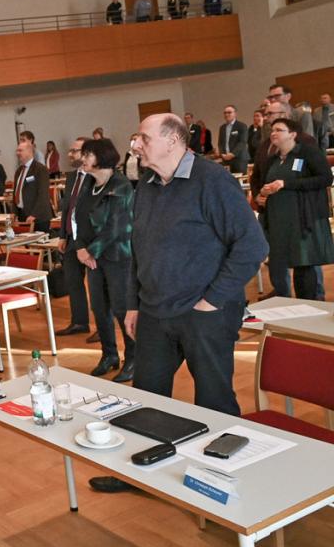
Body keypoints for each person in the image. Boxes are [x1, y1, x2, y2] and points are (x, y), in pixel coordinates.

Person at [89, 113, 267, 494]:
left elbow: (253, 246)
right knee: (147, 397)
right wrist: (134, 303)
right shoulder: (148, 184)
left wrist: (212, 300)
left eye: (143, 137)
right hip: (154, 311)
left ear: (173, 140)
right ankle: (142, 473)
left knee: (214, 400)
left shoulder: (212, 181)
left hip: (204, 312)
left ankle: (222, 483)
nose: (135, 144)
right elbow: (140, 248)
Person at [74, 139, 136, 382]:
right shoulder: (88, 184)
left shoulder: (121, 186)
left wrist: (90, 251)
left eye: (88, 154)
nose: (83, 158)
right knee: (99, 309)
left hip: (117, 257)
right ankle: (109, 354)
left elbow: (118, 227)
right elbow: (79, 218)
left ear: (102, 157)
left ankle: (133, 358)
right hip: (92, 257)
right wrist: (79, 247)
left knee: (122, 309)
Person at [256, 117, 334, 300]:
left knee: (304, 267)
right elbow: (265, 182)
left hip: (303, 219)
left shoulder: (307, 153)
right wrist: (263, 193)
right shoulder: (272, 160)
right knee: (281, 263)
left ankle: (312, 303)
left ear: (292, 134)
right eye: (272, 130)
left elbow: (325, 179)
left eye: (279, 130)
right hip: (280, 222)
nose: (274, 133)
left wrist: (286, 183)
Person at [56, 137, 92, 338]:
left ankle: (104, 327)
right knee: (73, 282)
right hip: (70, 238)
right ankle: (79, 322)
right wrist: (62, 234)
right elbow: (66, 209)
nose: (70, 154)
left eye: (74, 151)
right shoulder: (71, 177)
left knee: (97, 288)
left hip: (89, 241)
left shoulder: (95, 176)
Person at [11, 141, 52, 232]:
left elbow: (43, 195)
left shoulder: (40, 169)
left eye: (20, 150)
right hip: (23, 216)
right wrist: (14, 212)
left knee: (40, 245)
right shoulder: (19, 171)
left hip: (38, 217)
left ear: (29, 151)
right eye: (17, 151)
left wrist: (34, 214)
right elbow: (16, 193)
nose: (17, 153)